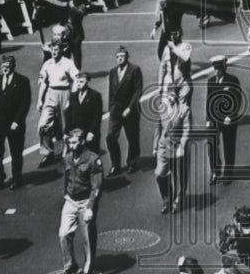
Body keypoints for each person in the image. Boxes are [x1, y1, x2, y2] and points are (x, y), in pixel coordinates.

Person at [58, 128, 104, 274]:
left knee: (87, 237)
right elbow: (66, 177)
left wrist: (90, 207)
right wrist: (65, 193)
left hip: (85, 201)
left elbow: (96, 186)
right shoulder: (68, 157)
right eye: (69, 142)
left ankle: (88, 268)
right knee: (63, 234)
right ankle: (70, 265)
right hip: (71, 200)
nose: (71, 145)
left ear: (82, 141)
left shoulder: (93, 159)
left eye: (74, 142)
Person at [0, 55, 32, 191]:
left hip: (14, 124)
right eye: (3, 66)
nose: (5, 68)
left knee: (16, 153)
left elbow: (25, 103)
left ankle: (17, 179)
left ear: (13, 66)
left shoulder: (22, 81)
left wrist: (17, 121)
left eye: (7, 66)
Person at [37, 40, 79, 167]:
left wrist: (72, 98)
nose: (54, 52)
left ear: (61, 50)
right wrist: (40, 99)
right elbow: (43, 82)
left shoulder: (68, 63)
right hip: (50, 94)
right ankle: (48, 152)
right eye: (52, 49)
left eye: (56, 50)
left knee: (65, 127)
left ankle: (66, 153)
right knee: (43, 125)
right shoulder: (47, 64)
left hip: (64, 94)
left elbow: (76, 79)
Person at [106, 46, 144, 174]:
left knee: (132, 137)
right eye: (117, 57)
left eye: (122, 56)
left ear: (126, 57)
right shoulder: (112, 72)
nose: (119, 59)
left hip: (130, 111)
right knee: (110, 137)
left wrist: (130, 107)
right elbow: (111, 91)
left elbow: (138, 90)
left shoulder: (134, 70)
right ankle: (115, 164)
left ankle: (132, 162)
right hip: (116, 110)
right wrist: (110, 107)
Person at [205, 55, 242, 184]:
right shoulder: (210, 81)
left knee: (228, 146)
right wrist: (208, 118)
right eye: (215, 69)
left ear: (224, 67)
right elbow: (209, 101)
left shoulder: (233, 80)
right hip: (214, 119)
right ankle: (215, 171)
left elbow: (237, 99)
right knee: (212, 145)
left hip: (228, 119)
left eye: (219, 69)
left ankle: (228, 174)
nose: (217, 71)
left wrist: (230, 116)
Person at [153, 90, 191, 214]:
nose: (170, 97)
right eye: (168, 94)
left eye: (173, 95)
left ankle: (177, 200)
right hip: (163, 146)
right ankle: (167, 199)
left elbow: (186, 129)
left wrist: (183, 144)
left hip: (177, 146)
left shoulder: (184, 109)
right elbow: (158, 128)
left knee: (179, 176)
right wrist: (155, 147)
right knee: (159, 173)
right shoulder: (162, 108)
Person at [63, 71, 104, 154]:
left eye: (81, 82)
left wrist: (91, 132)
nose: (78, 84)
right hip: (76, 133)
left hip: (89, 133)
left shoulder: (95, 96)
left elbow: (97, 116)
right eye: (77, 82)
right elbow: (68, 115)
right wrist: (66, 132)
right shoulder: (73, 96)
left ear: (87, 82)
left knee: (91, 157)